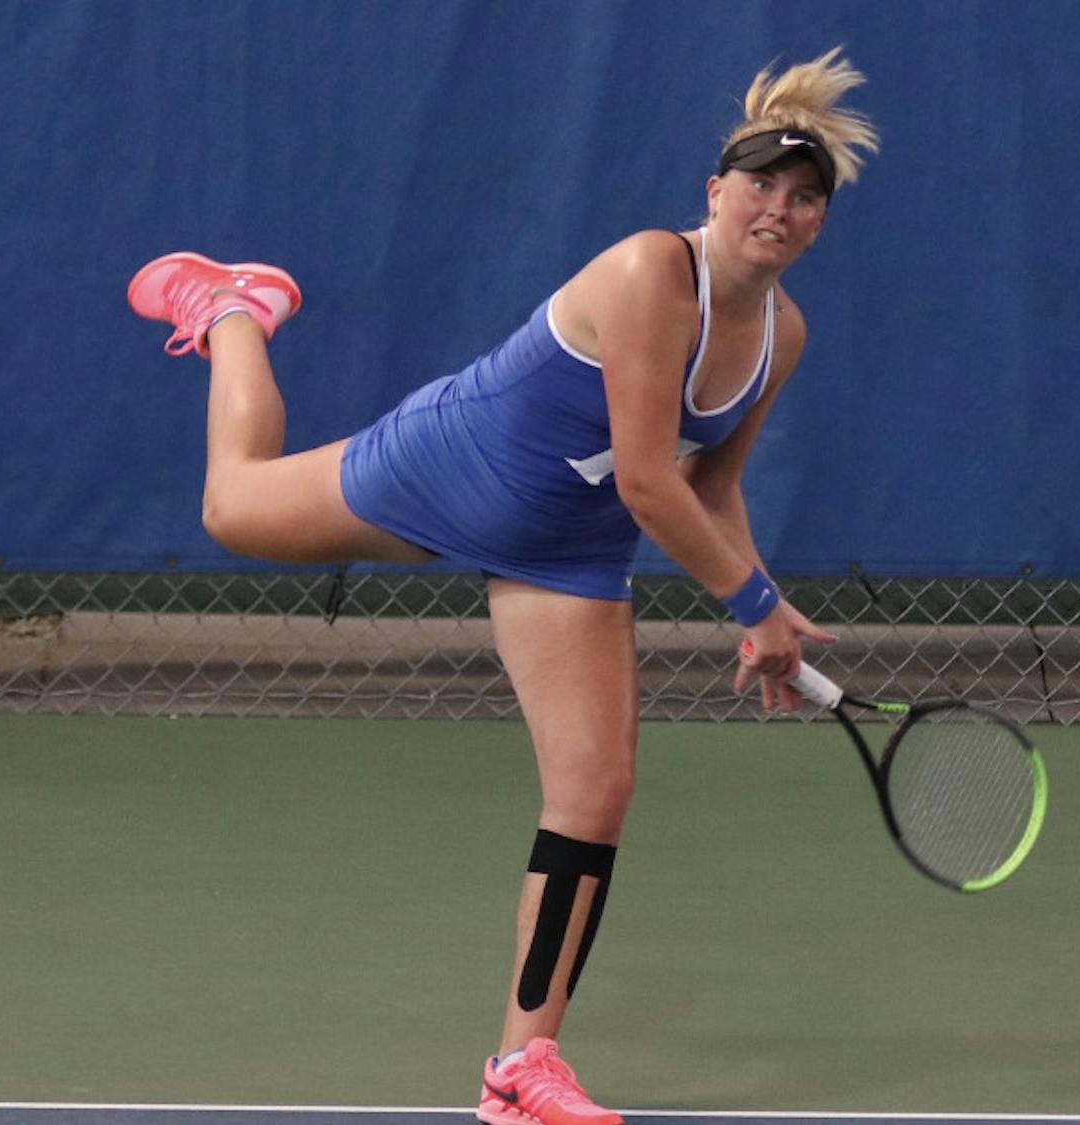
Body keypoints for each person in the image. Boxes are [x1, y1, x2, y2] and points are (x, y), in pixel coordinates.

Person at [128, 47, 877, 1125]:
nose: (780, 208)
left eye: (805, 199)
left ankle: (523, 1069)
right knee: (231, 506)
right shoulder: (647, 274)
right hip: (452, 465)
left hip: (566, 549)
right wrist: (753, 609)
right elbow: (646, 478)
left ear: (817, 224)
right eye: (761, 185)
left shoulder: (782, 335)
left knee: (595, 795)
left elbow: (712, 485)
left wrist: (768, 609)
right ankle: (236, 309)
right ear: (716, 192)